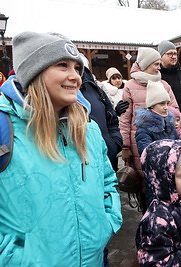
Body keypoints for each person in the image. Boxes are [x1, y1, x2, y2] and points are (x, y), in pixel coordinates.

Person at [0, 31, 122, 266]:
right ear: (35, 71)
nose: (75, 76)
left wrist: (106, 224)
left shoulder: (88, 128)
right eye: (62, 65)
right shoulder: (5, 127)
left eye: (77, 68)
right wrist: (16, 259)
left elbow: (108, 182)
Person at [119, 46, 181, 179]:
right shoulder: (130, 86)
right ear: (146, 64)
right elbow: (125, 117)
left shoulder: (164, 85)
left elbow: (176, 112)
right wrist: (125, 145)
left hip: (165, 137)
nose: (159, 67)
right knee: (145, 177)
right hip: (139, 140)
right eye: (156, 64)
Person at [79, 55, 122, 172]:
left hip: (107, 154)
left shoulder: (97, 89)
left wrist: (114, 144)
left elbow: (111, 119)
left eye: (76, 67)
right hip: (82, 161)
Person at [134, 80, 179, 156]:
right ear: (152, 106)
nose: (166, 107)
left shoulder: (169, 124)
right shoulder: (144, 128)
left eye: (167, 103)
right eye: (162, 104)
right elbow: (146, 153)